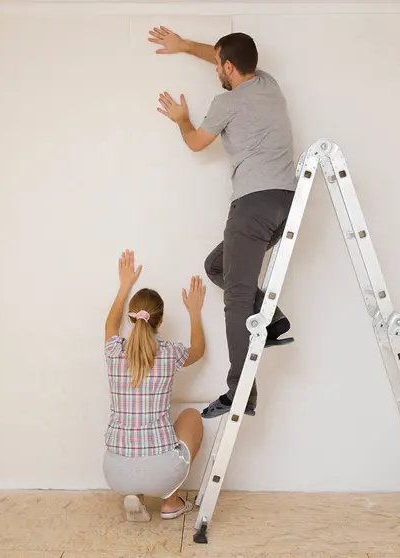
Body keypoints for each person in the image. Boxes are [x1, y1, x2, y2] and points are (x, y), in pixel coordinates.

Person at [148, 27, 296, 419]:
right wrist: (183, 46)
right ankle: (274, 321)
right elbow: (226, 56)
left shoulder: (225, 103)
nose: (215, 68)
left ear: (228, 68)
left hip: (251, 208)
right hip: (285, 205)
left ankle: (240, 392)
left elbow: (197, 142)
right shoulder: (269, 84)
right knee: (217, 267)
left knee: (236, 302)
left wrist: (182, 119)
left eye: (217, 64)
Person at [102, 249, 207, 522]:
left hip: (115, 471)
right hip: (162, 471)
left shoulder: (114, 351)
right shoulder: (170, 353)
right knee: (192, 417)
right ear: (160, 321)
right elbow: (198, 350)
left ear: (131, 317)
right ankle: (170, 502)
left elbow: (109, 326)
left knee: (135, 450)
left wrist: (124, 285)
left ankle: (133, 493)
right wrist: (194, 312)